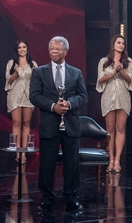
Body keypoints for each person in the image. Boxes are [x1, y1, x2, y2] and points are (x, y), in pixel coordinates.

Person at [29, 36, 88, 211]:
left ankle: (71, 197)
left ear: (66, 51)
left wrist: (69, 104)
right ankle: (47, 198)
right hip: (49, 124)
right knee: (47, 163)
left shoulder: (76, 73)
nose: (54, 51)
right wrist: (52, 106)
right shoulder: (39, 72)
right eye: (51, 49)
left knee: (71, 164)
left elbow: (84, 96)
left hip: (70, 125)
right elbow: (34, 96)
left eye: (58, 49)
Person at [96, 35, 132, 174]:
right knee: (110, 128)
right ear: (113, 45)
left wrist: (121, 70)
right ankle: (111, 158)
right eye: (118, 43)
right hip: (108, 97)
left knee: (120, 127)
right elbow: (100, 80)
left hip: (123, 97)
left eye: (123, 44)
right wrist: (114, 72)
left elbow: (130, 80)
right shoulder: (104, 61)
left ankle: (118, 160)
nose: (121, 45)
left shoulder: (128, 61)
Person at [5, 39, 37, 164]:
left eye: (24, 47)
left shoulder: (33, 63)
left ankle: (24, 153)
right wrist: (15, 73)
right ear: (16, 50)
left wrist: (35, 73)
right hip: (15, 95)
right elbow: (9, 81)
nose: (22, 49)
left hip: (28, 95)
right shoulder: (11, 63)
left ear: (27, 49)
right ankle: (17, 152)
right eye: (19, 47)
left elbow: (36, 81)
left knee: (26, 123)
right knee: (17, 122)